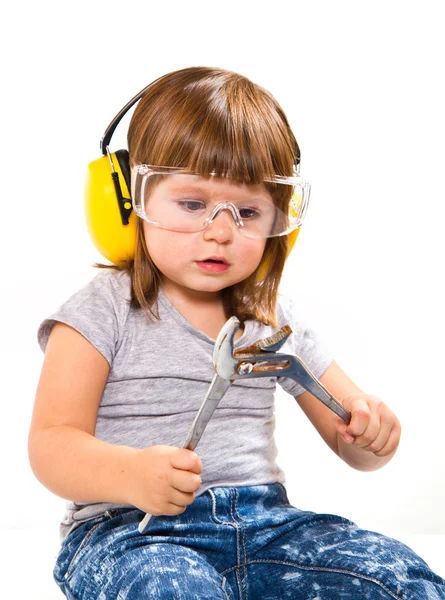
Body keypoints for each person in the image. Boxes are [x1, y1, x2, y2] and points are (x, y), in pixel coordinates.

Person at [28, 66, 445, 599]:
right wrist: (129, 474)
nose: (221, 230)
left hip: (267, 527)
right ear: (130, 199)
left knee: (396, 577)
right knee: (169, 589)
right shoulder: (101, 312)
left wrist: (371, 432)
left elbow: (357, 448)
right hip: (132, 533)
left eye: (248, 211)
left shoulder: (273, 318)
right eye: (193, 204)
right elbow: (50, 447)